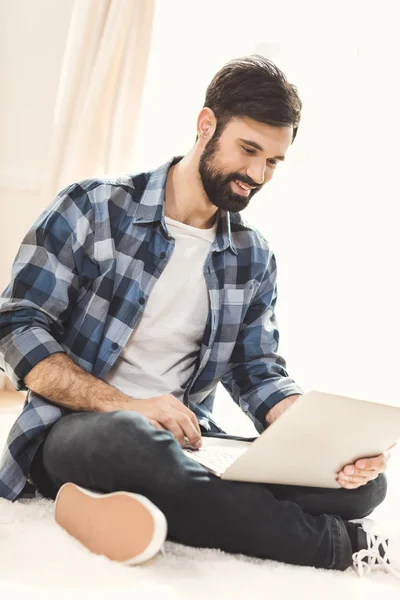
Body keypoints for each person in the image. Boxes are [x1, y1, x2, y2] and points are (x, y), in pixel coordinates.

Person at [0, 55, 395, 576]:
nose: (257, 175)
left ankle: (135, 504)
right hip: (80, 428)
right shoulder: (92, 206)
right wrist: (128, 405)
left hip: (189, 441)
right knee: (134, 444)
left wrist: (312, 434)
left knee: (362, 486)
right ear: (206, 125)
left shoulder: (253, 255)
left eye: (273, 162)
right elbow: (18, 324)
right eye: (248, 150)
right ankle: (338, 546)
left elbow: (256, 369)